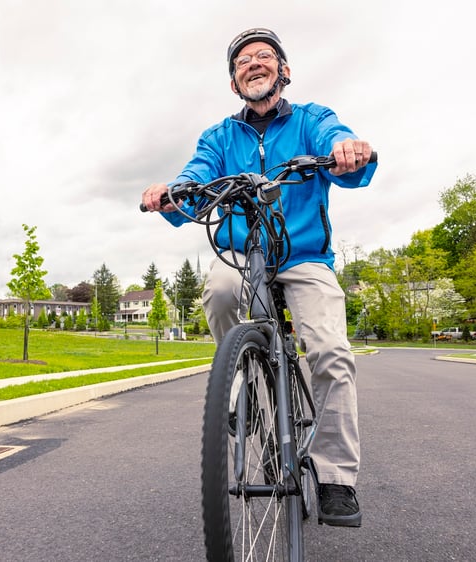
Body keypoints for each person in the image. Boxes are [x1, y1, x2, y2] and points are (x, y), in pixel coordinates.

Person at [141, 28, 377, 527]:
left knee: (332, 353)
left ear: (282, 71)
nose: (253, 64)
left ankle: (336, 477)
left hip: (302, 256)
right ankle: (240, 383)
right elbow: (197, 176)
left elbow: (338, 143)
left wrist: (347, 150)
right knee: (219, 291)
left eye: (263, 57)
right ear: (234, 83)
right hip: (240, 253)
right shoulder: (220, 137)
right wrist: (174, 193)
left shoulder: (313, 119)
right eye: (242, 61)